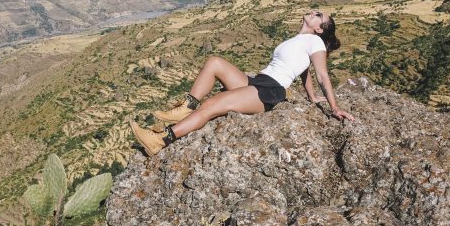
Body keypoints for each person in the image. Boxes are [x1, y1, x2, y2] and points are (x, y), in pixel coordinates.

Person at [131, 10, 353, 155]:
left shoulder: (316, 43)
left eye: (318, 15)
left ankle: (160, 140)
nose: (313, 12)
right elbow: (305, 71)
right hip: (257, 81)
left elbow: (322, 74)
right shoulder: (300, 40)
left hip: (270, 90)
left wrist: (334, 107)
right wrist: (311, 96)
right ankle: (185, 109)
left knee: (212, 105)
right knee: (214, 62)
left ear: (319, 29)